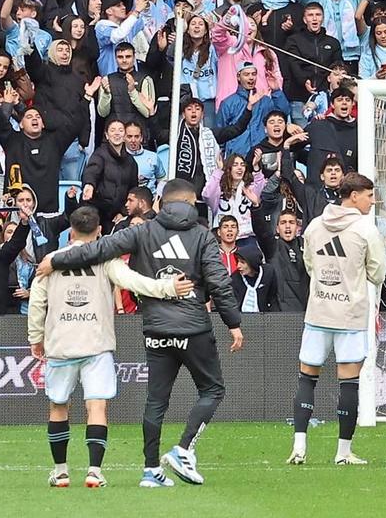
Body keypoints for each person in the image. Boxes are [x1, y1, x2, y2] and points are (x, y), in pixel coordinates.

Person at [38, 178, 243, 488]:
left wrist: (56, 259)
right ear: (191, 203)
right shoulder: (203, 236)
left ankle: (150, 471)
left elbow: (100, 249)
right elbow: (218, 281)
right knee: (213, 389)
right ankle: (184, 449)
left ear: (160, 203)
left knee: (156, 400)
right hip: (193, 326)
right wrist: (233, 322)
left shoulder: (143, 230)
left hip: (156, 327)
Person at [27, 205, 192, 489]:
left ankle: (61, 471)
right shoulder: (105, 259)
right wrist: (168, 288)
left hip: (61, 344)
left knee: (58, 406)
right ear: (100, 231)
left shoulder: (50, 261)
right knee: (97, 406)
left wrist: (35, 338)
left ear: (70, 231)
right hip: (96, 344)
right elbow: (135, 283)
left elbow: (36, 303)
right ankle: (94, 471)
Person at [292, 172, 386, 467]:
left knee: (307, 376)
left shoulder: (315, 225)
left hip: (319, 311)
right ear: (354, 195)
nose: (372, 202)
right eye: (369, 196)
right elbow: (378, 272)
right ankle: (343, 452)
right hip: (350, 314)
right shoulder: (365, 229)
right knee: (348, 381)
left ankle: (299, 447)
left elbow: (309, 263)